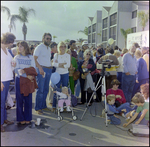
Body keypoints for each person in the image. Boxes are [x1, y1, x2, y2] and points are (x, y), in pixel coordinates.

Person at [14, 41, 37, 125]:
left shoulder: (30, 57)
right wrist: (26, 75)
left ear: (25, 47)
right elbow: (16, 70)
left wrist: (29, 75)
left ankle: (28, 117)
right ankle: (20, 118)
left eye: (21, 46)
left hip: (28, 81)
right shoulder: (16, 57)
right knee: (19, 99)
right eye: (18, 46)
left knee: (28, 100)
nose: (19, 48)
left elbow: (33, 68)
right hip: (19, 80)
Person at [33, 33, 53, 115]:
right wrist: (40, 68)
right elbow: (34, 59)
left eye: (50, 39)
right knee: (40, 90)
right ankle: (38, 108)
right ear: (43, 39)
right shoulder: (39, 47)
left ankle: (43, 105)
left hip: (48, 69)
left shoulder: (48, 48)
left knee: (45, 90)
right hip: (42, 69)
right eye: (47, 38)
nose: (48, 40)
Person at [1, 32, 16, 132]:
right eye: (12, 42)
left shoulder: (7, 50)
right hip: (1, 80)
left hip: (7, 79)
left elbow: (9, 64)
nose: (13, 44)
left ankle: (4, 119)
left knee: (4, 102)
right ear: (8, 41)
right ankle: (0, 123)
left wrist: (13, 65)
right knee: (1, 103)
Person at [52, 41, 71, 109]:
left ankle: (64, 106)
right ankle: (54, 105)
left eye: (64, 46)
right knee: (56, 90)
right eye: (61, 46)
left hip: (65, 74)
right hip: (57, 75)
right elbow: (54, 64)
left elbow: (68, 65)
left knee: (65, 90)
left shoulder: (68, 55)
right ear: (58, 47)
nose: (63, 48)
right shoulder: (56, 55)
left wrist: (59, 65)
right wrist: (62, 64)